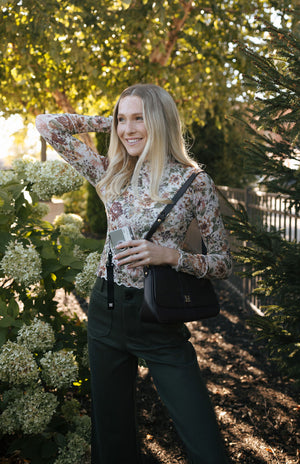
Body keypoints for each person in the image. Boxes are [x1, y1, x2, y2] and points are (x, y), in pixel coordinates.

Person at [36, 83, 232, 464]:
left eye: (138, 118)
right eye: (122, 119)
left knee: (204, 441)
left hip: (158, 320)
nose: (128, 129)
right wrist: (108, 122)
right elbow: (48, 124)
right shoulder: (109, 171)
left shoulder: (194, 183)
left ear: (161, 121)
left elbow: (223, 262)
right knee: (112, 439)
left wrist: (169, 255)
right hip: (105, 314)